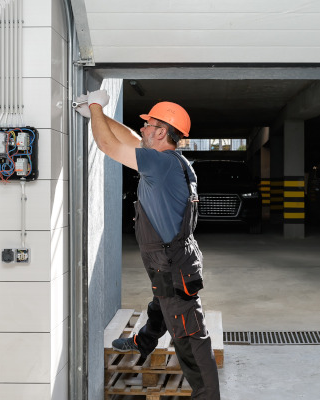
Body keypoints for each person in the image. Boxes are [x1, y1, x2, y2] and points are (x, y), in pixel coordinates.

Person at [75, 90, 220, 400]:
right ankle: (144, 341)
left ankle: (207, 395)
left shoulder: (159, 163)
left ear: (161, 131)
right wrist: (97, 115)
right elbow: (127, 137)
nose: (142, 128)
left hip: (171, 263)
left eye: (148, 124)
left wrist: (97, 106)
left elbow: (107, 145)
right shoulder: (170, 161)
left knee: (190, 336)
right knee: (162, 302)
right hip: (174, 258)